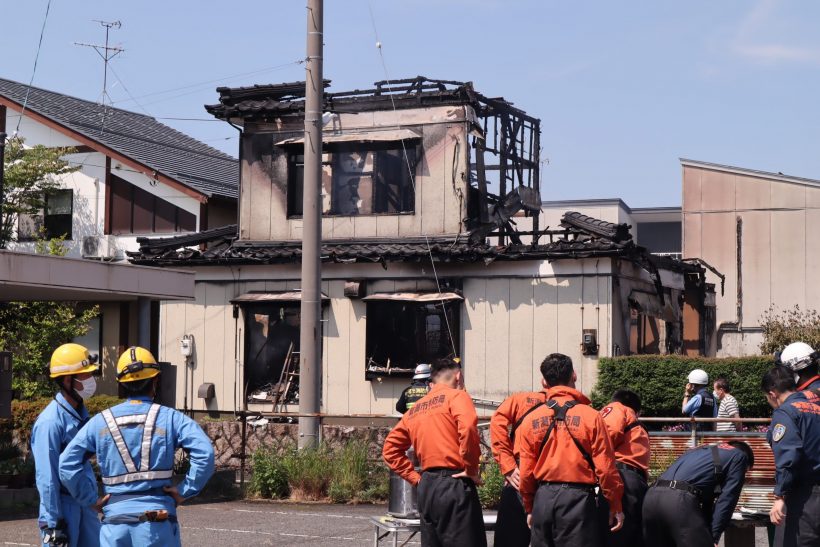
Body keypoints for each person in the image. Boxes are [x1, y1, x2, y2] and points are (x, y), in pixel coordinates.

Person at [59, 346, 215, 547]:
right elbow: (206, 454)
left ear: (121, 384)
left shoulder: (100, 422)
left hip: (114, 525)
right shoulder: (171, 418)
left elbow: (66, 464)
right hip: (157, 522)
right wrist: (184, 490)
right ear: (155, 381)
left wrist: (90, 500)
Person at [517, 353, 624, 547]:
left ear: (544, 381)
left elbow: (525, 473)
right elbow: (606, 469)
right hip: (578, 501)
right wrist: (615, 504)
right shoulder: (591, 417)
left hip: (543, 499)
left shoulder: (531, 419)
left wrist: (530, 506)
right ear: (573, 375)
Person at [382, 357, 486, 547]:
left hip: (427, 486)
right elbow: (469, 428)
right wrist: (471, 468)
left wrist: (416, 479)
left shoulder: (415, 410)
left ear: (432, 383)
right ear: (459, 376)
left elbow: (390, 450)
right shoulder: (457, 396)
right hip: (454, 483)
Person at [31, 343, 102, 547]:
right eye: (85, 376)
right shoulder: (50, 422)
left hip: (84, 504)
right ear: (68, 380)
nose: (91, 381)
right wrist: (54, 522)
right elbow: (47, 477)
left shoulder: (80, 414)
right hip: (62, 507)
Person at [642, 441, 754, 547]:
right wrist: (714, 537)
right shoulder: (739, 456)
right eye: (745, 472)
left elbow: (706, 502)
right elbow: (727, 499)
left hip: (650, 498)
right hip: (678, 500)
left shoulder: (700, 451)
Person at [762, 366, 820, 546]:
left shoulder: (785, 412)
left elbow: (789, 456)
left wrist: (779, 496)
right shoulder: (815, 407)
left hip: (803, 498)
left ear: (772, 394)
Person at [488, 380, 549, 546]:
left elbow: (497, 422)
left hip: (519, 475)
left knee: (509, 540)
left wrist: (508, 466)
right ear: (573, 378)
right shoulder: (576, 407)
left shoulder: (521, 400)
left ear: (544, 381)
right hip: (554, 482)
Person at [599, 389, 650, 547]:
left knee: (624, 537)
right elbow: (610, 432)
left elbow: (606, 433)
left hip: (627, 481)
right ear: (638, 410)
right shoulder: (622, 410)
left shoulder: (620, 411)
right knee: (625, 537)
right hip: (629, 481)